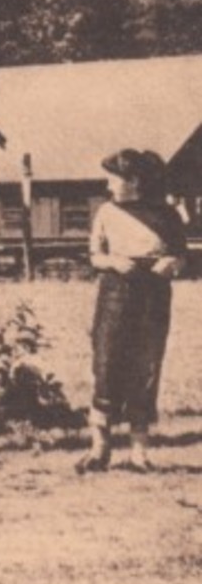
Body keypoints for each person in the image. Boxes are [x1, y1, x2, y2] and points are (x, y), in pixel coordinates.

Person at [79, 149, 188, 473]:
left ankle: (139, 452)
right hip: (115, 293)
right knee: (106, 364)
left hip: (153, 294)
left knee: (146, 366)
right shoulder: (106, 212)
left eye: (113, 177)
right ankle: (100, 449)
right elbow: (95, 255)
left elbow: (182, 255)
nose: (108, 183)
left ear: (134, 180)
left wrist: (173, 263)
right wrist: (112, 261)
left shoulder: (167, 214)